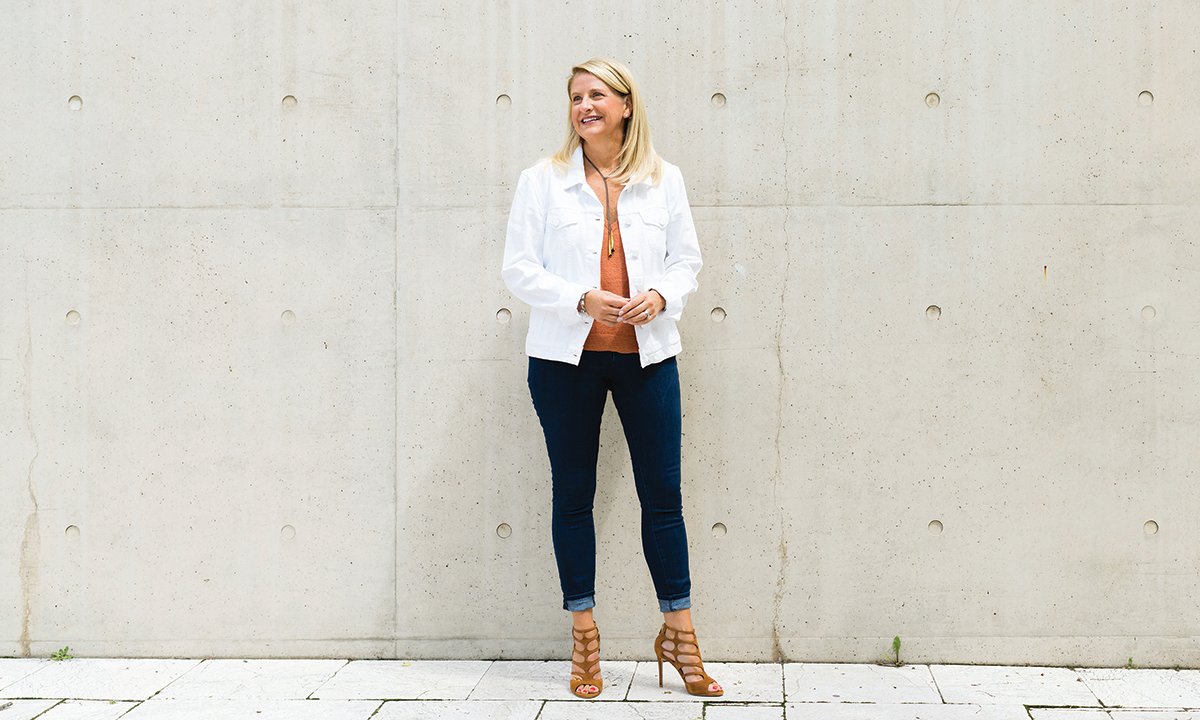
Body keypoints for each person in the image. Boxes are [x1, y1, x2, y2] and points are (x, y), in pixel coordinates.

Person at [501, 57, 723, 700]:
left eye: (597, 95)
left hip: (647, 358)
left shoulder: (663, 179)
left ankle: (679, 635)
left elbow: (687, 260)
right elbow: (518, 268)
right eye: (576, 97)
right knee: (573, 496)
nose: (585, 106)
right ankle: (585, 638)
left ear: (626, 105)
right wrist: (581, 299)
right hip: (563, 362)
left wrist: (659, 296)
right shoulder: (542, 181)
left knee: (664, 498)